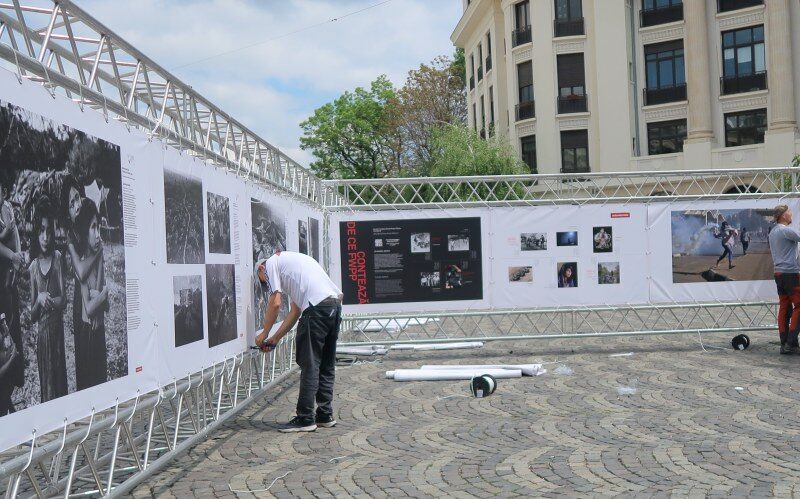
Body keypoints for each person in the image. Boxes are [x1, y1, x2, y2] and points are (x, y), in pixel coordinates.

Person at [254, 251, 343, 432]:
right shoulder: (296, 264)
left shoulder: (271, 263)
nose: (266, 285)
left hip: (316, 309)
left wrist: (263, 334)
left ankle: (305, 418)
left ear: (261, 269)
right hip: (333, 306)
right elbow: (295, 312)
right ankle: (325, 415)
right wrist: (275, 338)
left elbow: (276, 303)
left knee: (309, 364)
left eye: (263, 281)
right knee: (326, 364)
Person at [28, 197, 68, 402]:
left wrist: (51, 300)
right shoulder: (33, 267)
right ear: (36, 232)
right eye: (41, 230)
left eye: (49, 231)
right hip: (42, 340)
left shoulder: (59, 258)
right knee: (48, 387)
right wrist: (39, 300)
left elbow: (65, 300)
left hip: (57, 336)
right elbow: (32, 315)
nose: (45, 237)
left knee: (59, 382)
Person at [74, 198, 108, 389]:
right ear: (85, 230)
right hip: (87, 336)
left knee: (102, 382)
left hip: (99, 332)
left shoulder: (97, 258)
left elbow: (105, 304)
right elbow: (89, 307)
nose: (98, 234)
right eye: (93, 228)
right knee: (89, 384)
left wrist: (101, 257)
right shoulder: (83, 263)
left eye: (99, 228)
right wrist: (102, 294)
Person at [0, 177, 24, 415]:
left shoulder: (6, 208)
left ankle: (8, 388)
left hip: (6, 280)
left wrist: (18, 257)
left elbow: (14, 234)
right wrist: (14, 256)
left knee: (9, 327)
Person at [768, 205, 800, 354]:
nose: (791, 213)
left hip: (779, 274)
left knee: (784, 307)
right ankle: (791, 343)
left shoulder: (773, 232)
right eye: (789, 212)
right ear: (782, 215)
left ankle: (784, 343)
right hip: (790, 274)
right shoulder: (785, 230)